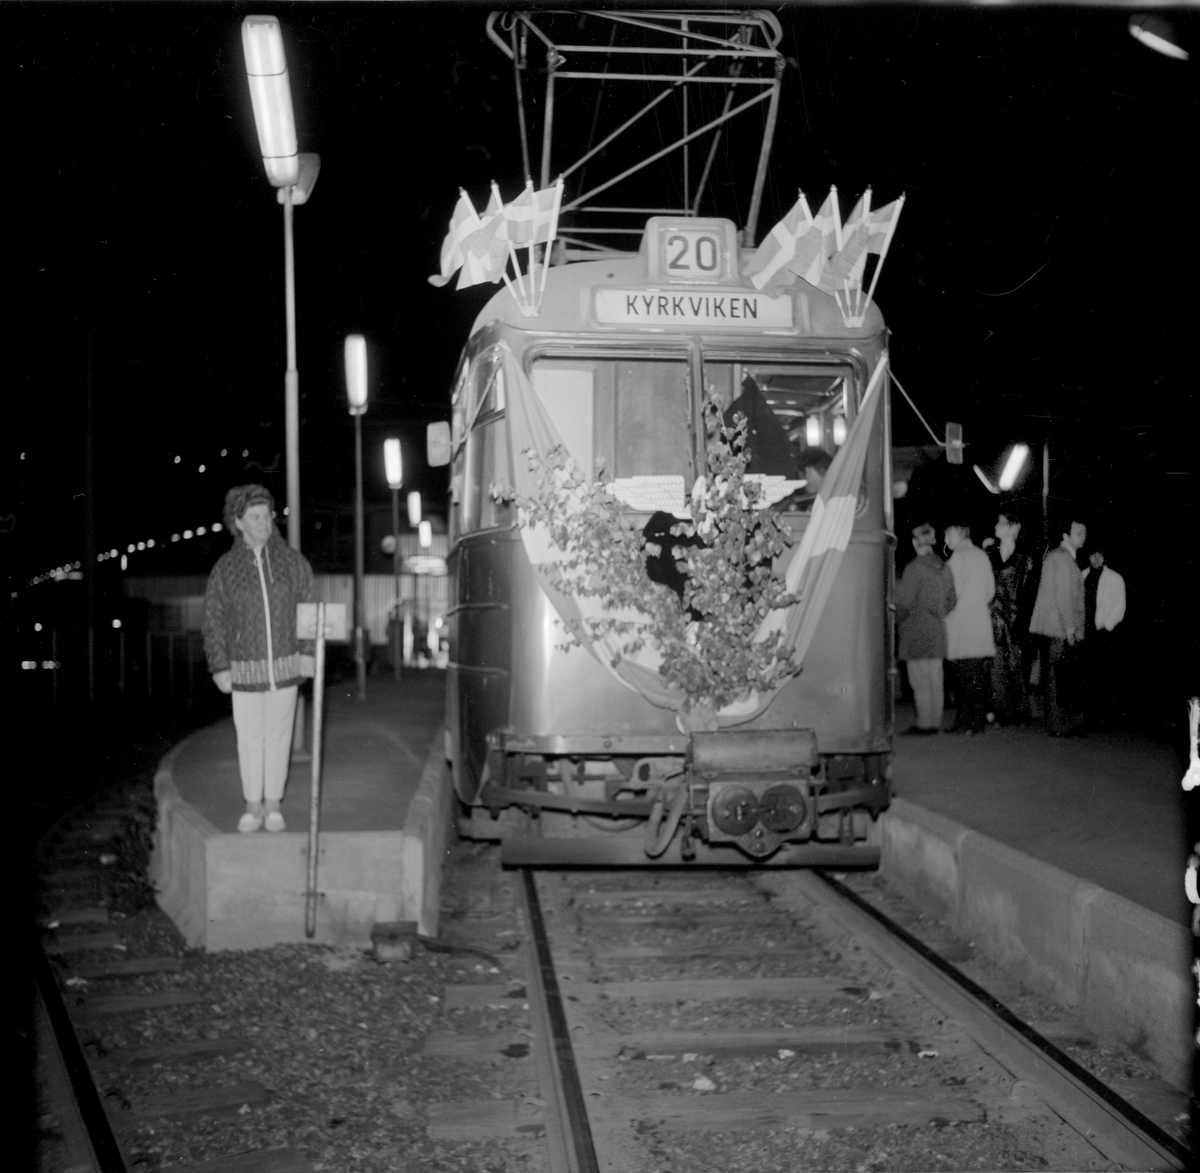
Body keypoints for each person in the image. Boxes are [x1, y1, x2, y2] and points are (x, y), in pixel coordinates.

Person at [203, 485, 317, 832]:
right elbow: (213, 619)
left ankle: (273, 804)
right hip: (244, 669)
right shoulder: (225, 569)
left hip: (285, 665)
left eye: (267, 515)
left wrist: (308, 652)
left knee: (279, 736)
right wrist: (220, 665)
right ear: (238, 522)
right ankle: (253, 806)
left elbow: (309, 609)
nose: (264, 522)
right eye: (255, 517)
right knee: (250, 738)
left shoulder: (293, 563)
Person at [895, 523, 957, 734]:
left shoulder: (914, 568)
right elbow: (952, 601)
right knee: (935, 678)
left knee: (920, 678)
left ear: (915, 542)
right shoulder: (943, 567)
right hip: (937, 628)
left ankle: (924, 723)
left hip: (916, 629)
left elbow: (904, 602)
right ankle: (934, 721)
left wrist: (898, 618)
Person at [1029, 517, 1087, 737]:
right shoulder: (1062, 558)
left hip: (1056, 627)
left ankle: (1060, 721)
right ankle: (1057, 724)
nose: (1083, 536)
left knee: (1057, 675)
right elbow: (1064, 596)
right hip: (1060, 628)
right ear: (1066, 535)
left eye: (1084, 532)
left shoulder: (1061, 557)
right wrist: (1070, 628)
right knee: (1057, 677)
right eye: (1079, 532)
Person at [943, 521, 996, 734]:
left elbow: (951, 594)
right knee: (977, 675)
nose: (946, 540)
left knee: (961, 677)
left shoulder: (957, 558)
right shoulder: (982, 556)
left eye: (949, 535)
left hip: (961, 624)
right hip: (980, 622)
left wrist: (946, 616)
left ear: (959, 535)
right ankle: (976, 721)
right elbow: (990, 591)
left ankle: (964, 721)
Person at [985, 509, 1036, 725]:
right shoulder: (991, 553)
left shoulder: (1024, 557)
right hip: (994, 618)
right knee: (996, 666)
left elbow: (1028, 592)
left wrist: (1022, 620)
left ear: (1014, 527)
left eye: (1002, 523)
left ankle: (1020, 711)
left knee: (1016, 665)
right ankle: (1000, 709)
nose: (996, 526)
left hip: (1015, 621)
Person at [1082, 544, 1127, 726]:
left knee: (1103, 676)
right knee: (1087, 675)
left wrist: (1107, 626)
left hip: (1104, 633)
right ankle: (1088, 716)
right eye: (1093, 555)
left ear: (1104, 557)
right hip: (1085, 632)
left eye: (1099, 555)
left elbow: (1119, 605)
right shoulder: (1082, 575)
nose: (1096, 559)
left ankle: (1103, 718)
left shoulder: (1115, 578)